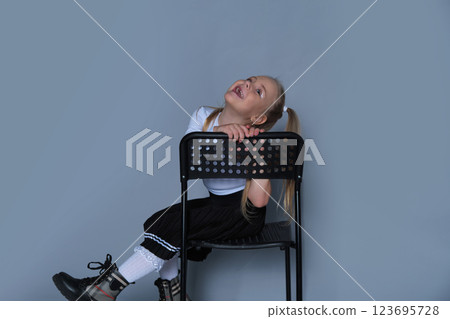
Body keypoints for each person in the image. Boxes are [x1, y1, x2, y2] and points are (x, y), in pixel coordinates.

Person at [52, 75, 300, 301]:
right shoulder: (204, 117)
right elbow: (189, 159)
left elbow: (258, 202)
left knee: (171, 226)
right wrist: (216, 133)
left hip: (243, 215)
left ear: (258, 118)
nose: (247, 84)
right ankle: (172, 292)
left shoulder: (256, 139)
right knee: (158, 220)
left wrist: (259, 156)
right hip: (218, 204)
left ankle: (104, 291)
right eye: (249, 79)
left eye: (258, 91)